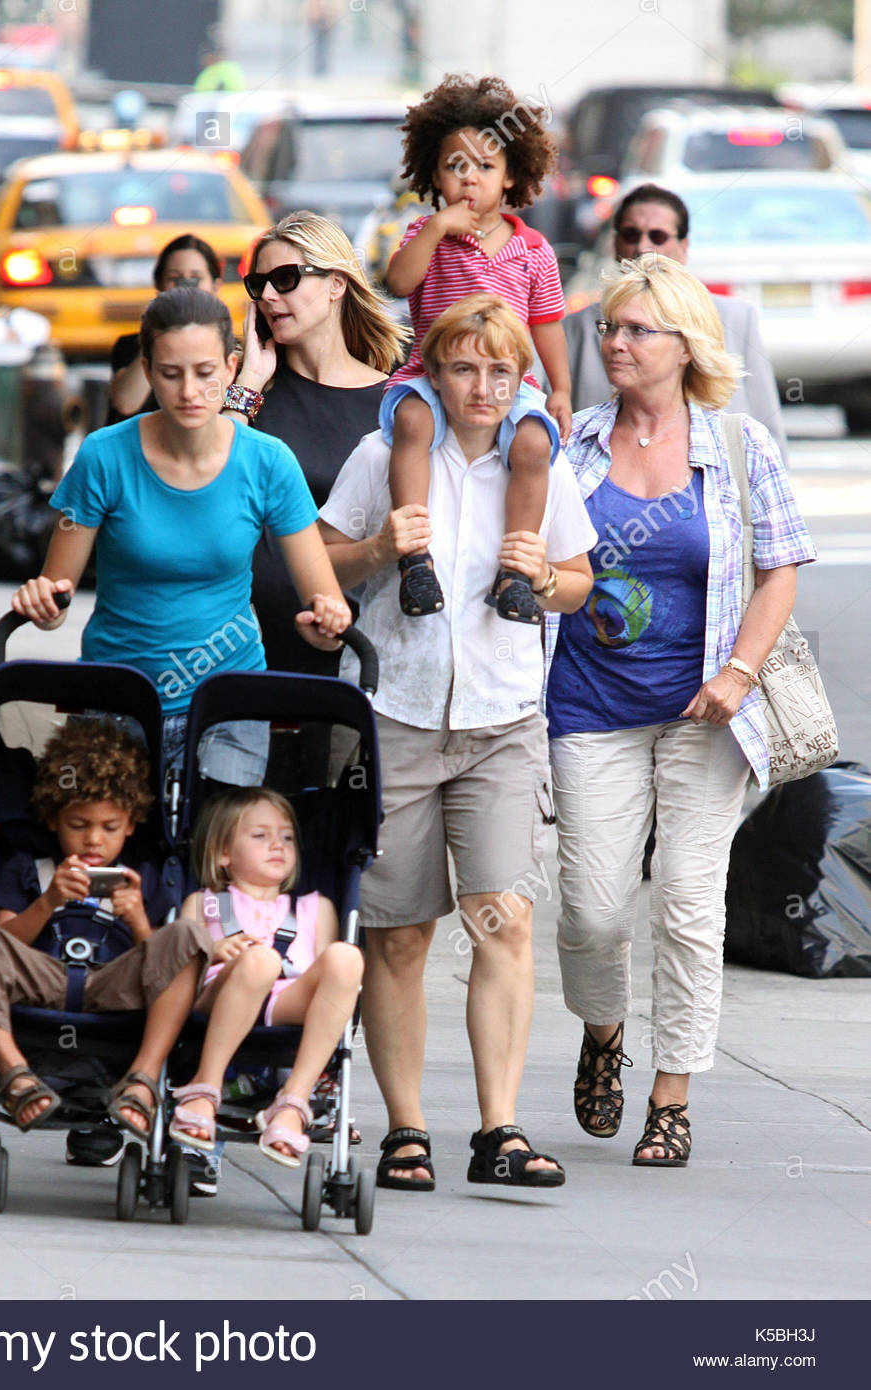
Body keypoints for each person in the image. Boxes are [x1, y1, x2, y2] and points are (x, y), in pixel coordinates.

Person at [319, 295, 597, 1192]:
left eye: (500, 372)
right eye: (466, 369)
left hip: (502, 719)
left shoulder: (539, 464)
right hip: (396, 714)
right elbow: (320, 561)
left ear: (519, 380)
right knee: (399, 934)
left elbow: (581, 582)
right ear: (433, 374)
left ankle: (501, 1128)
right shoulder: (383, 454)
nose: (483, 387)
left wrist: (545, 577)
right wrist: (374, 549)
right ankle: (407, 1128)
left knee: (503, 920)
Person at [545, 256, 815, 1167]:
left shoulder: (739, 446)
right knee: (588, 910)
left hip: (707, 715)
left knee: (693, 908)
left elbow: (778, 568)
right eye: (607, 329)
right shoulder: (572, 444)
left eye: (634, 331)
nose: (614, 344)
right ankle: (603, 1029)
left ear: (683, 345)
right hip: (588, 704)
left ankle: (671, 1096)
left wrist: (739, 671)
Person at [11, 286, 351, 777]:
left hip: (228, 699)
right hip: (118, 695)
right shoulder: (103, 456)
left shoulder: (268, 462)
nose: (189, 392)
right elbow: (54, 601)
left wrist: (327, 624)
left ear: (232, 369)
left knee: (220, 845)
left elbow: (324, 602)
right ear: (147, 371)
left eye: (205, 373)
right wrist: (41, 601)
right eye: (170, 375)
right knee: (108, 847)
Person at [0, 720, 213, 1137]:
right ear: (53, 820)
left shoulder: (146, 875)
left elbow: (161, 969)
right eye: (79, 825)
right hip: (40, 975)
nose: (93, 840)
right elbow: (1, 944)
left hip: (113, 983)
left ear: (131, 824)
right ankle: (15, 1075)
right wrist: (48, 902)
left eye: (109, 828)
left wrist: (136, 919)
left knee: (188, 938)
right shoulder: (29, 867)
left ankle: (143, 1081)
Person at [382, 73, 571, 623]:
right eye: (455, 166)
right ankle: (416, 555)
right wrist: (438, 227)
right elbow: (397, 282)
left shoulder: (533, 251)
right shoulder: (426, 234)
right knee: (413, 425)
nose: (470, 179)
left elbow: (548, 324)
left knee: (534, 445)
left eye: (485, 167)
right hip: (434, 376)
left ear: (512, 176)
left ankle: (515, 569)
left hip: (506, 384)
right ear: (434, 174)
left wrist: (559, 387)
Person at [226, 211, 409, 677]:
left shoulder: (393, 404)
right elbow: (215, 484)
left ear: (336, 284)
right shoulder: (250, 397)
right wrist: (249, 379)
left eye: (286, 279)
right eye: (258, 284)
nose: (268, 295)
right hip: (248, 646)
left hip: (359, 648)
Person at [167, 788, 362, 1168]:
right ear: (223, 853)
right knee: (259, 961)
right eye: (260, 836)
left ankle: (293, 1101)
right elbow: (179, 976)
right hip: (219, 995)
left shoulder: (314, 908)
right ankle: (204, 1088)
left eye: (287, 837)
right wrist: (213, 954)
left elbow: (324, 979)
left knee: (346, 957)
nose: (277, 844)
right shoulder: (205, 902)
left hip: (284, 1001)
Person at [564, 183, 788, 461]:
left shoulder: (735, 317)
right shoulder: (577, 327)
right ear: (615, 243)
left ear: (683, 247)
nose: (643, 247)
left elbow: (769, 426)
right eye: (631, 234)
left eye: (657, 236)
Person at [106, 235, 223, 426]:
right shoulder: (133, 345)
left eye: (195, 279)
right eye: (175, 279)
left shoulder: (229, 348)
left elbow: (235, 415)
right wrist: (157, 328)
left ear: (215, 286)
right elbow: (125, 404)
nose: (185, 287)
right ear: (159, 286)